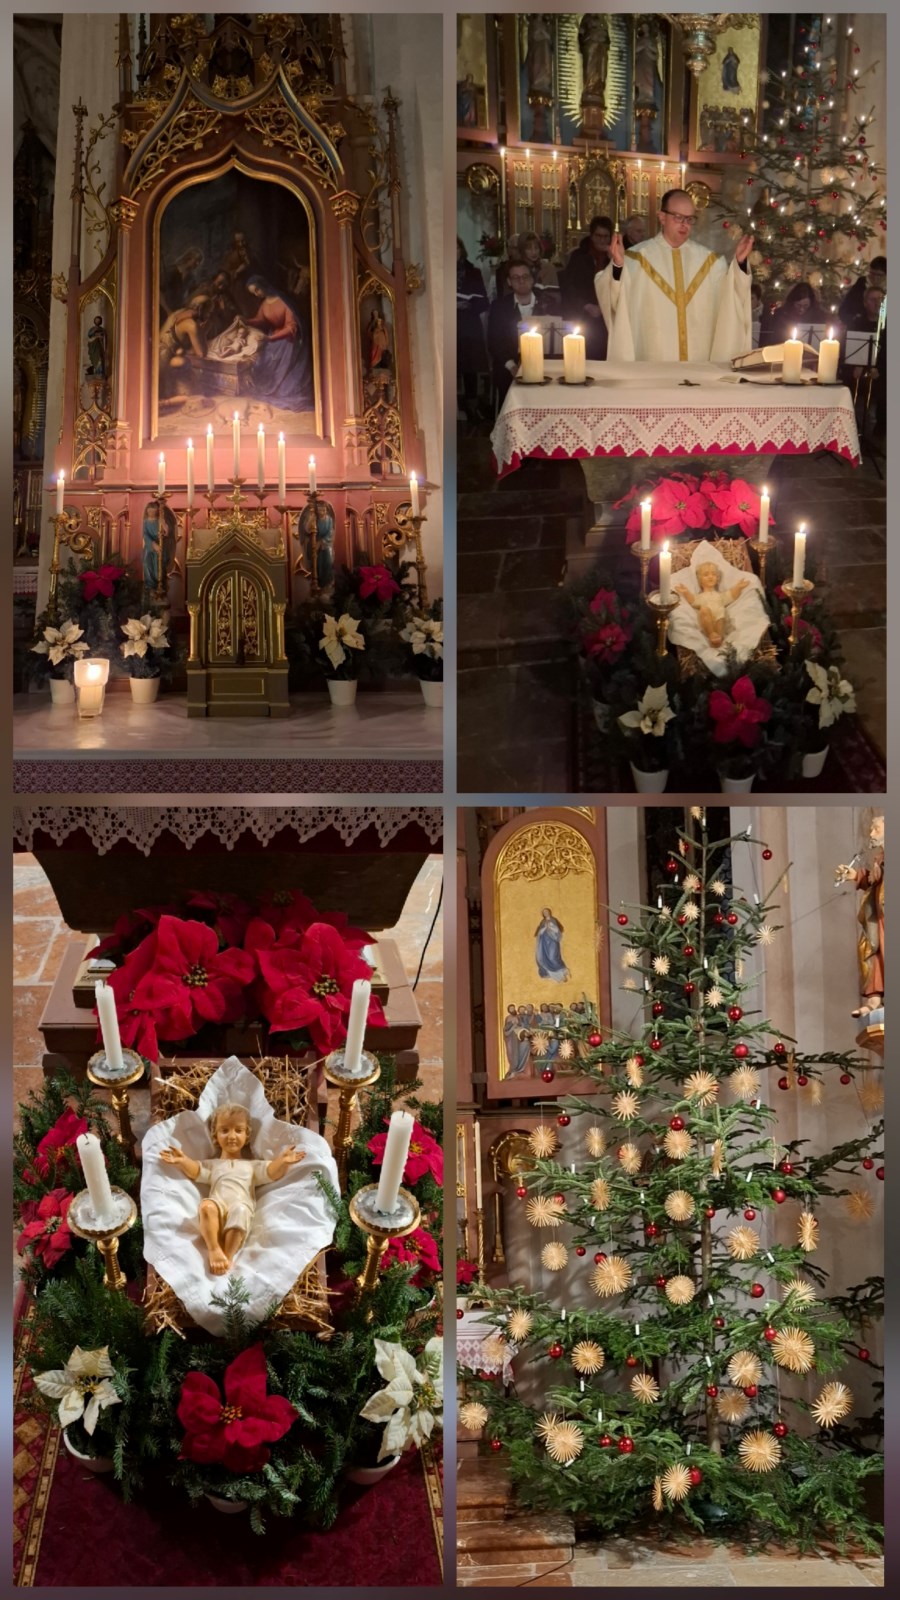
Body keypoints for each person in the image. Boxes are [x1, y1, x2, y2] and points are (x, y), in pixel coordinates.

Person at [596, 189, 753, 362]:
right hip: (651, 367)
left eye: (690, 219)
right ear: (662, 217)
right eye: (678, 217)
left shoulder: (711, 262)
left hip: (698, 369)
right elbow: (612, 296)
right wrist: (618, 265)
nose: (685, 224)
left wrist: (739, 264)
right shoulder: (635, 259)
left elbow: (731, 299)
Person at [160, 1102, 304, 1276]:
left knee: (240, 1210)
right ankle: (214, 1249)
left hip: (240, 1207)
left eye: (238, 1130)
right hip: (217, 1206)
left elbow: (271, 1172)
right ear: (215, 1136)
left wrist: (282, 1161)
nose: (232, 1136)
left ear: (247, 1135)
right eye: (224, 1130)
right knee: (206, 1206)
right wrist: (183, 1161)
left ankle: (227, 1257)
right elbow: (197, 1170)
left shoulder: (251, 1166)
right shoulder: (213, 1165)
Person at [487, 259, 555, 402]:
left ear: (532, 279)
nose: (521, 281)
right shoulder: (499, 307)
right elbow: (494, 341)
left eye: (525, 276)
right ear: (509, 282)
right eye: (516, 278)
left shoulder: (548, 303)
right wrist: (511, 366)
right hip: (510, 362)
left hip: (544, 362)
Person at [242, 274, 313, 410]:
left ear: (263, 285)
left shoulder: (283, 301)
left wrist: (270, 339)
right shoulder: (265, 303)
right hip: (272, 338)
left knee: (279, 373)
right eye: (253, 292)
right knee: (260, 361)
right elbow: (260, 320)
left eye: (257, 290)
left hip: (288, 340)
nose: (256, 294)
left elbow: (291, 328)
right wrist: (246, 321)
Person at [561, 215, 613, 359]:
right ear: (591, 236)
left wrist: (613, 259)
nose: (602, 240)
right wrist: (586, 305)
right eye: (598, 236)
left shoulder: (615, 258)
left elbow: (620, 285)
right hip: (582, 315)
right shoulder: (579, 256)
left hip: (607, 318)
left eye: (605, 236)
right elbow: (569, 286)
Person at [457, 237, 489, 426]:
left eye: (457, 248)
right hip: (450, 324)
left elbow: (483, 300)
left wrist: (467, 304)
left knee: (470, 368)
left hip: (469, 324)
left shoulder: (473, 272)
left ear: (462, 250)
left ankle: (471, 405)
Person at [838, 255, 886, 327]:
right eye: (872, 273)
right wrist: (853, 322)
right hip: (861, 326)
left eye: (879, 275)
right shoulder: (861, 283)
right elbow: (844, 310)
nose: (875, 278)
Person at [535, 908, 570, 983]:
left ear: (549, 912)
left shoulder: (553, 920)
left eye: (546, 912)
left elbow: (558, 930)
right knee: (544, 958)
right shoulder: (543, 922)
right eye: (544, 912)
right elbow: (539, 933)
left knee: (553, 957)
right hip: (544, 944)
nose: (545, 913)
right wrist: (544, 928)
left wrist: (550, 927)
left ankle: (562, 971)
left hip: (553, 942)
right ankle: (555, 975)